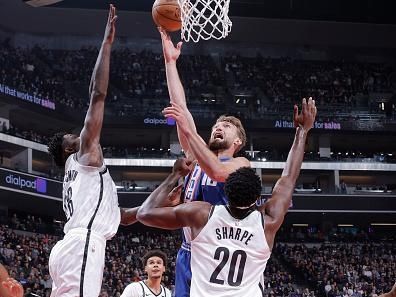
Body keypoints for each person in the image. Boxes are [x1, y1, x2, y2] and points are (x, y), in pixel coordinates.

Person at [137, 98, 317, 296]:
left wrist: (174, 175)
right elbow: (288, 178)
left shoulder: (202, 214)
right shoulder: (268, 223)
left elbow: (145, 213)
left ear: (226, 188)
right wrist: (302, 131)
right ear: (257, 198)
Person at [47, 5, 139, 296]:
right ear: (66, 150)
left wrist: (168, 190)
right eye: (70, 137)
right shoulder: (83, 155)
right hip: (82, 244)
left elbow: (122, 217)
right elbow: (97, 95)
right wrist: (107, 44)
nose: (78, 134)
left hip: (71, 246)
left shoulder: (81, 181)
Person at [159, 28, 250, 297]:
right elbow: (181, 108)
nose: (219, 127)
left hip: (220, 257)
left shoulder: (240, 164)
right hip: (188, 254)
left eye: (227, 126)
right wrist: (170, 62)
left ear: (238, 142)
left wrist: (188, 130)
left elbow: (218, 171)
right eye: (217, 124)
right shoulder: (195, 156)